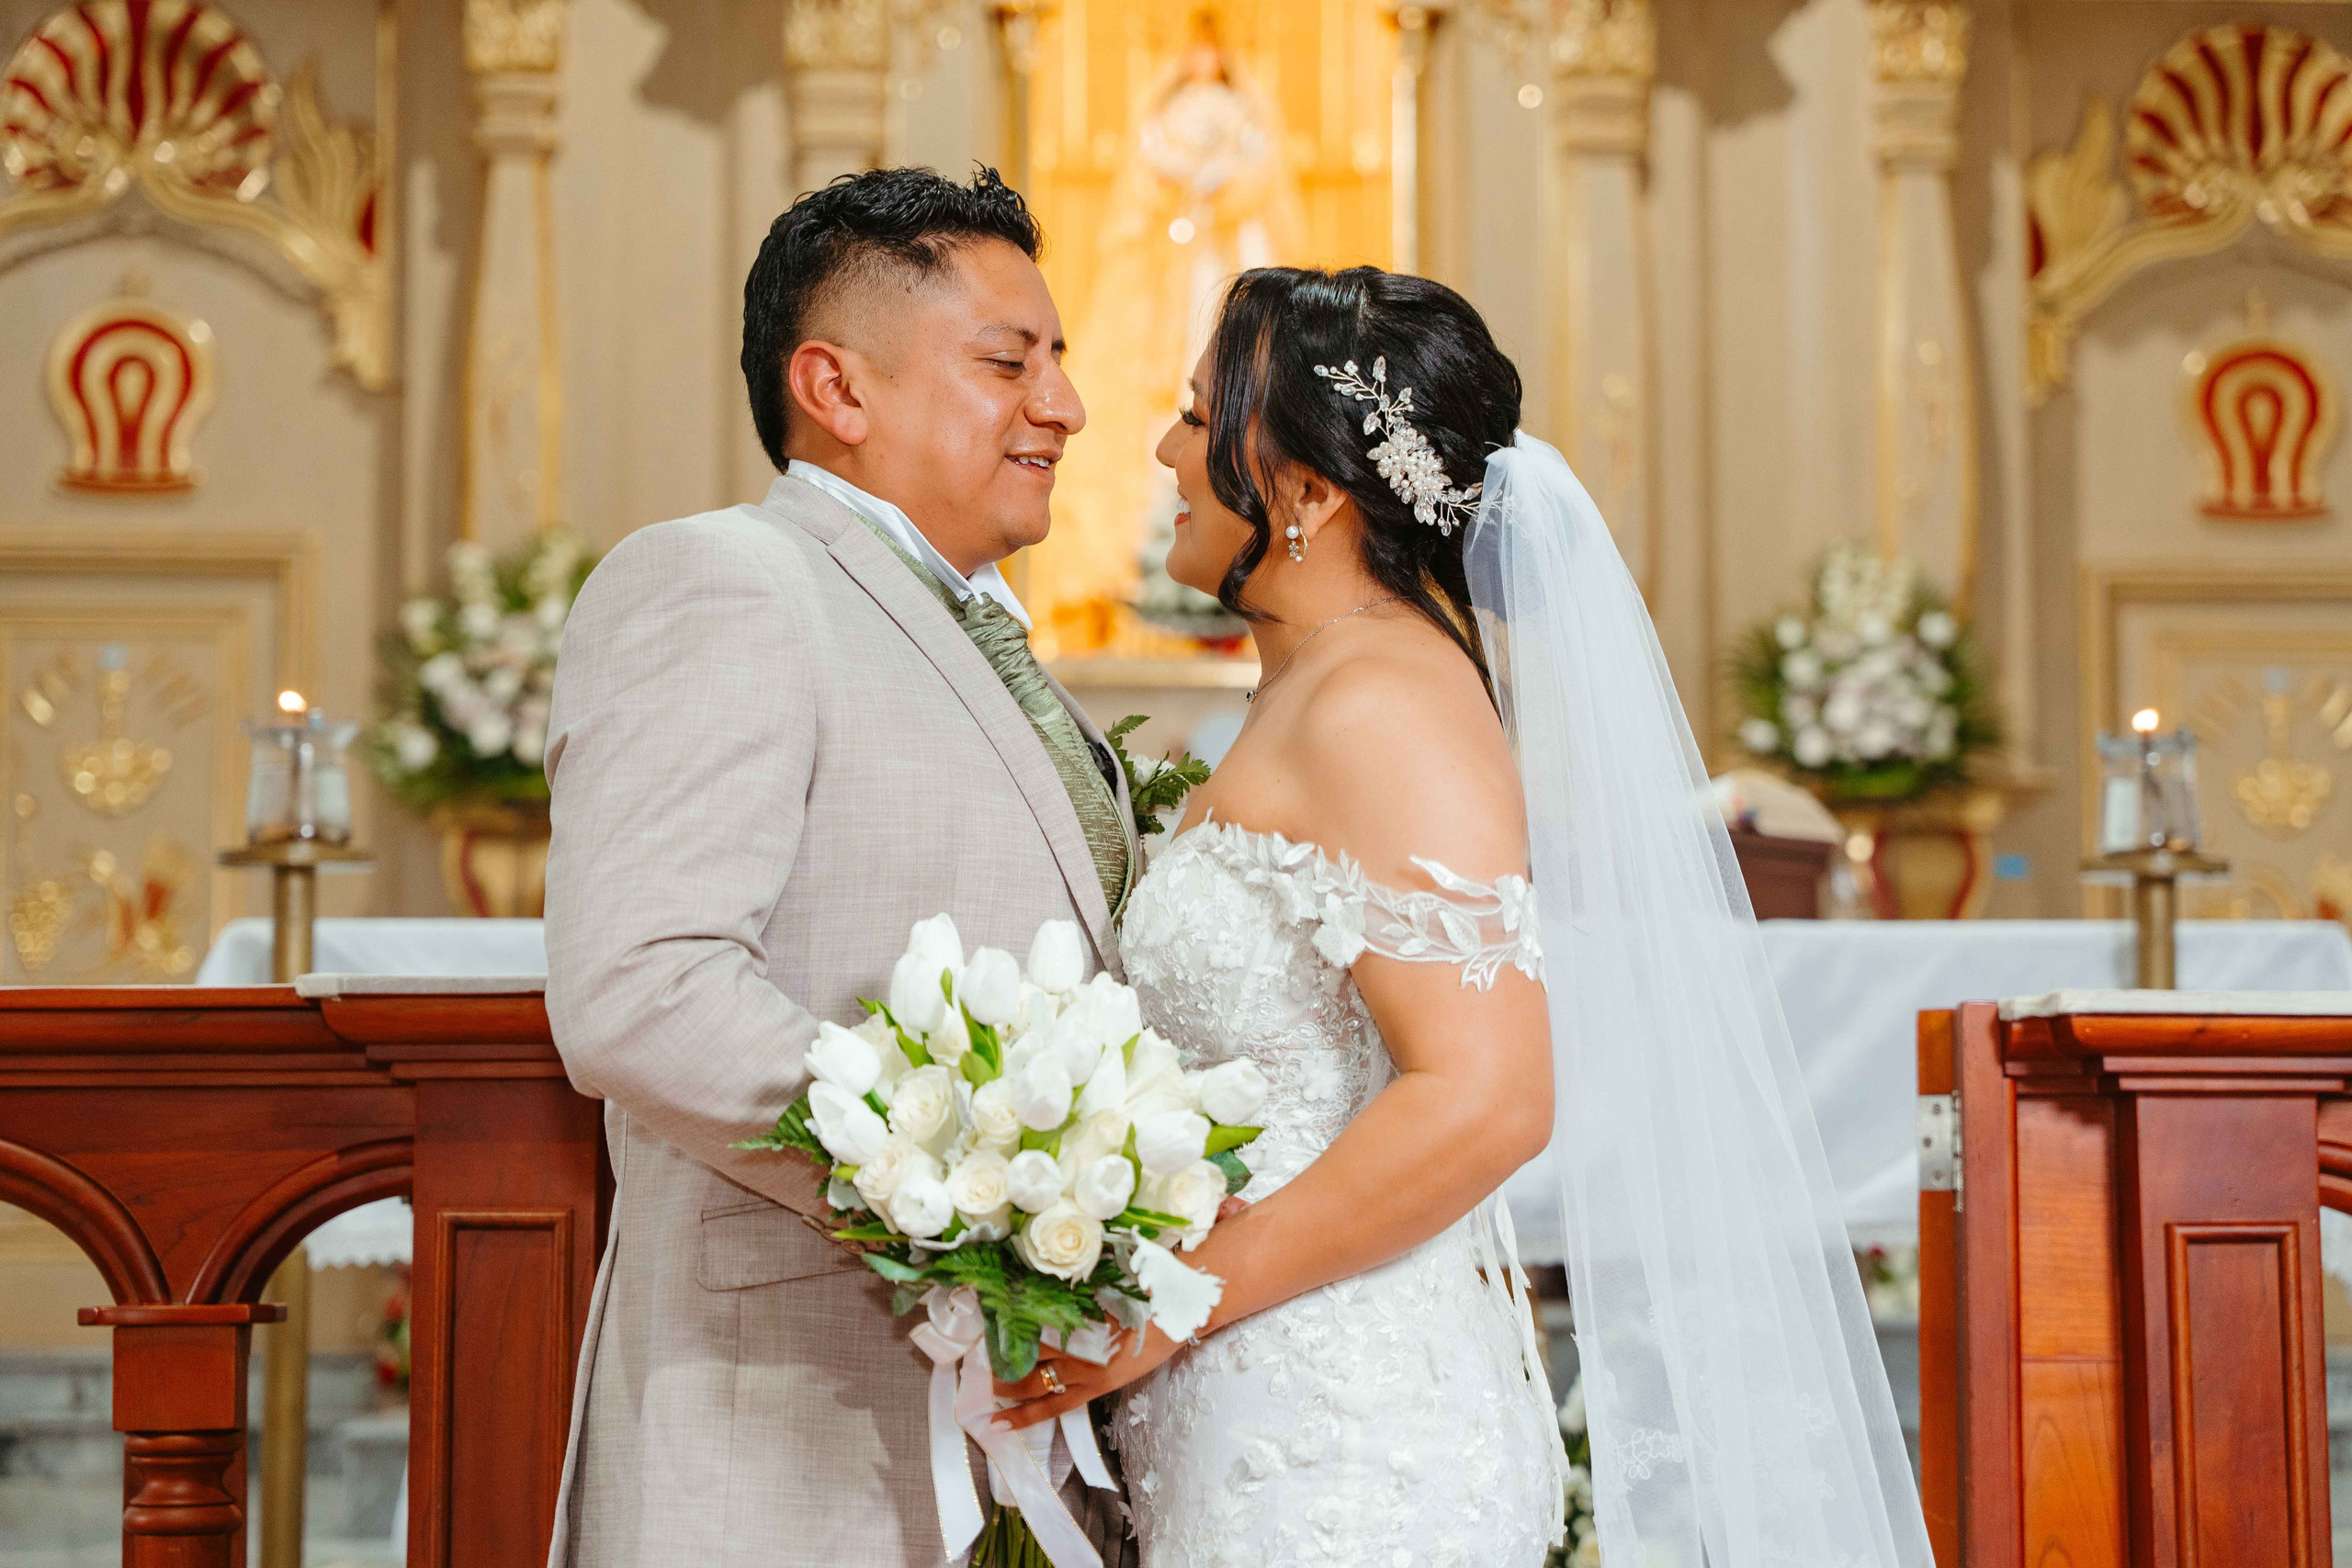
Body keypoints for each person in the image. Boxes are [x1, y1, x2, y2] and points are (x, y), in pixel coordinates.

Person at [994, 266, 1932, 1568]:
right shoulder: (1317, 689)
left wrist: (1175, 1304)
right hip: (1259, 1382)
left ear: (1310, 492)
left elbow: (1488, 1097)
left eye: (1198, 418)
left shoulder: (1385, 704)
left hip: (1343, 1426)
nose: (1160, 449)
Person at [539, 166, 1136, 1568]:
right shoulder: (724, 582)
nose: (1063, 406)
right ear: (838, 389)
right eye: (1009, 361)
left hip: (1012, 1436)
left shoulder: (993, 639)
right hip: (788, 1424)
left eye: (1059, 362)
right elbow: (641, 988)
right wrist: (978, 1191)